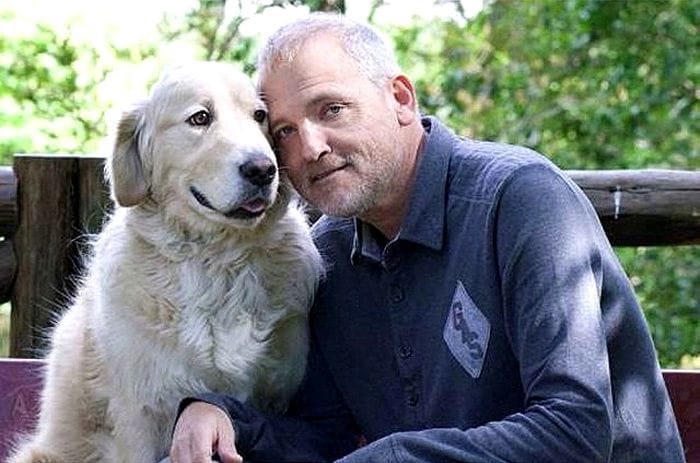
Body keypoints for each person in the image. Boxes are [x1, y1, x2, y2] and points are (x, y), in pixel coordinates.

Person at [166, 12, 685, 463]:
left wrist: (394, 454)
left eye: (331, 110)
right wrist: (225, 417)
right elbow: (322, 438)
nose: (310, 147)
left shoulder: (522, 200)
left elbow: (576, 432)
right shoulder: (327, 255)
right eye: (283, 131)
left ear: (399, 98)